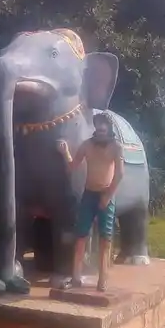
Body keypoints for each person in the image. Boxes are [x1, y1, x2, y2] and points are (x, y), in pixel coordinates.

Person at [57, 110, 124, 291]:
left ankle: (103, 278)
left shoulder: (116, 147)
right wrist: (65, 152)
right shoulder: (87, 145)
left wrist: (108, 196)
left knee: (105, 239)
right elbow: (73, 166)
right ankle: (75, 277)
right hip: (89, 194)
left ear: (109, 128)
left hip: (106, 194)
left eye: (104, 124)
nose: (101, 128)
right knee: (80, 236)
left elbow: (119, 174)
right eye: (98, 124)